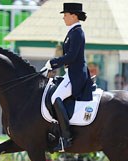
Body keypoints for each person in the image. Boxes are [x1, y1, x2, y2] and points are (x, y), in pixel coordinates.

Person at [40, 3, 92, 152]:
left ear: (74, 16)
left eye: (66, 14)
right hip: (70, 73)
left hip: (76, 75)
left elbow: (71, 57)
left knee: (55, 97)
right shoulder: (72, 32)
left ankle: (66, 138)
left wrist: (53, 62)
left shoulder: (77, 32)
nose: (63, 17)